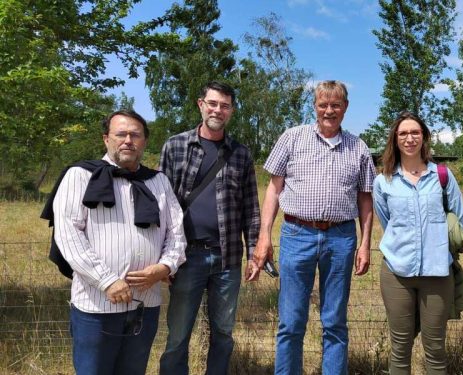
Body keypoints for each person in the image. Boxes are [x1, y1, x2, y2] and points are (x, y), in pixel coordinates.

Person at [248, 80, 376, 374]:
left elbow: (365, 199)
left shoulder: (358, 147)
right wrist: (264, 237)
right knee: (291, 321)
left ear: (345, 108)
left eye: (335, 105)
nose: (329, 111)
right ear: (315, 106)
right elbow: (273, 189)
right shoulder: (292, 138)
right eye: (323, 104)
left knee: (334, 321)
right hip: (296, 234)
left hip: (341, 238)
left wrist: (365, 243)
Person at [47, 109, 186, 374]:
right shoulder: (79, 176)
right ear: (106, 139)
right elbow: (68, 235)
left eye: (135, 135)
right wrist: (107, 281)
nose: (128, 140)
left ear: (144, 141)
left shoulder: (159, 182)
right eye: (120, 134)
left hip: (145, 304)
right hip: (96, 305)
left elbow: (177, 233)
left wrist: (166, 267)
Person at [159, 81, 261, 375]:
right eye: (213, 103)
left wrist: (254, 253)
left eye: (225, 106)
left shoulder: (240, 153)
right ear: (200, 104)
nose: (218, 110)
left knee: (223, 334)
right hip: (185, 257)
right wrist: (162, 258)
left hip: (227, 259)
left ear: (231, 111)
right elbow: (161, 205)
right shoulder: (175, 146)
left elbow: (250, 209)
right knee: (178, 335)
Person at [372, 111, 463, 374]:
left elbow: (459, 220)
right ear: (395, 139)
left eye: (415, 133)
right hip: (397, 273)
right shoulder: (383, 181)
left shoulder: (443, 177)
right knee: (400, 348)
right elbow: (387, 222)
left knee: (435, 349)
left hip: (437, 273)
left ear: (424, 137)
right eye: (403, 133)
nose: (409, 138)